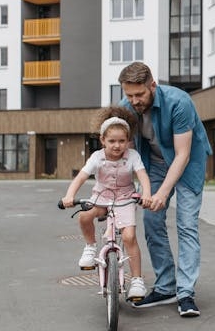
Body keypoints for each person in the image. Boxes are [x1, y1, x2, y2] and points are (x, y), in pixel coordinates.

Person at [118, 62, 212, 317]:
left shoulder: (178, 102)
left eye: (140, 94)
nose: (135, 101)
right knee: (151, 220)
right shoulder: (127, 109)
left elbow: (182, 155)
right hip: (156, 165)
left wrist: (162, 194)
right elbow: (121, 149)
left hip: (188, 162)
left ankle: (185, 293)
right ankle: (166, 286)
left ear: (152, 86)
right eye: (129, 95)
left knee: (186, 224)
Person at [61, 106, 153, 301]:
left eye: (122, 141)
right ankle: (90, 246)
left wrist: (147, 194)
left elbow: (143, 176)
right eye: (111, 141)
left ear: (128, 141)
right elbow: (81, 177)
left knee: (129, 237)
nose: (117, 146)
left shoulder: (133, 156)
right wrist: (69, 195)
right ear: (102, 140)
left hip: (125, 199)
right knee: (85, 215)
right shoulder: (97, 157)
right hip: (101, 197)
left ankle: (136, 280)